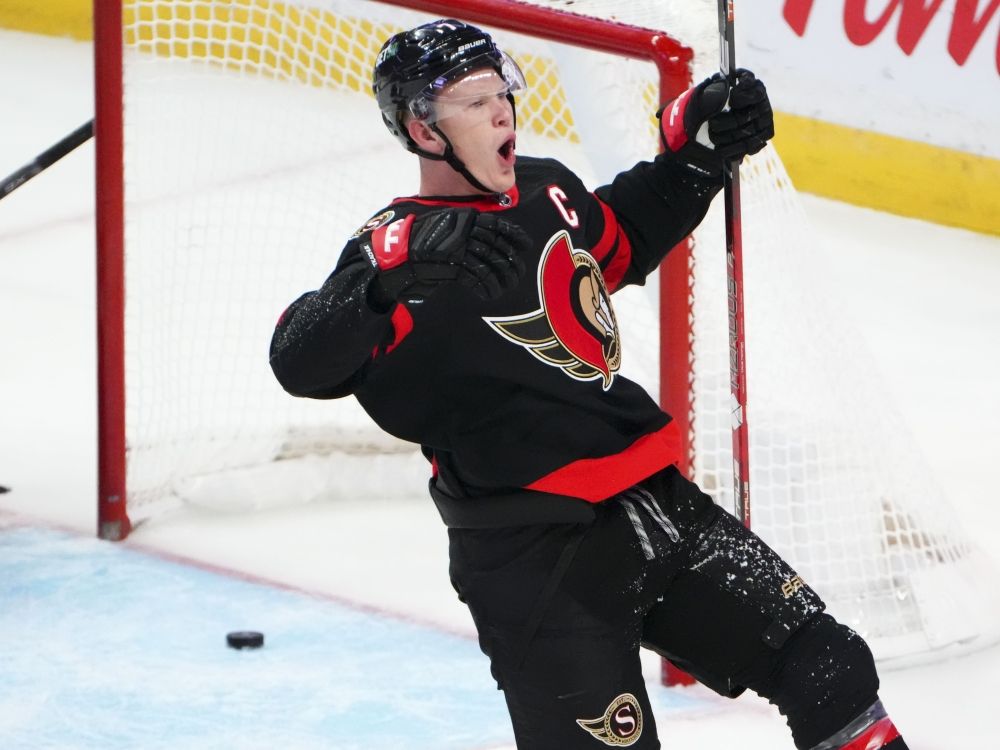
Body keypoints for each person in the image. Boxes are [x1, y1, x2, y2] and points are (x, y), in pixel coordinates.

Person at [269, 19, 909, 750]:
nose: (502, 110)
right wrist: (381, 287)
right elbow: (298, 360)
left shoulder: (547, 190)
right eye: (474, 101)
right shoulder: (396, 249)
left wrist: (697, 156)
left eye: (501, 90)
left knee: (829, 667)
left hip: (653, 506)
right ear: (424, 129)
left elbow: (622, 238)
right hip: (536, 560)